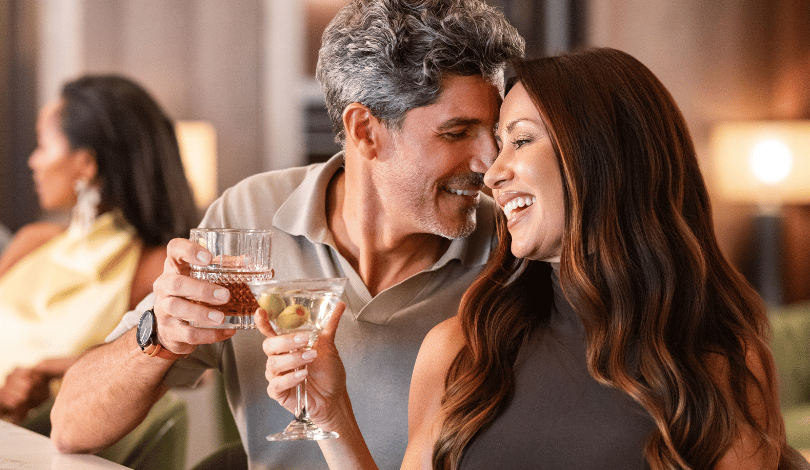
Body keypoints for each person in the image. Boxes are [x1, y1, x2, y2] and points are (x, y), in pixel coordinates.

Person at [259, 48, 808, 469]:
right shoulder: (462, 349)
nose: (492, 173)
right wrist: (331, 414)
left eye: (519, 141)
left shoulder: (716, 364)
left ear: (604, 157)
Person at [50, 1, 524, 468]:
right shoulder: (249, 216)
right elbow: (70, 426)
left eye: (497, 134)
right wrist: (157, 335)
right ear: (366, 131)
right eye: (458, 133)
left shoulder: (512, 249)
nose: (491, 163)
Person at [0, 75, 199, 425]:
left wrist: (52, 372)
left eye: (42, 145)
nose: (33, 161)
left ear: (86, 164)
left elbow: (177, 360)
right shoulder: (32, 242)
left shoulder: (152, 267)